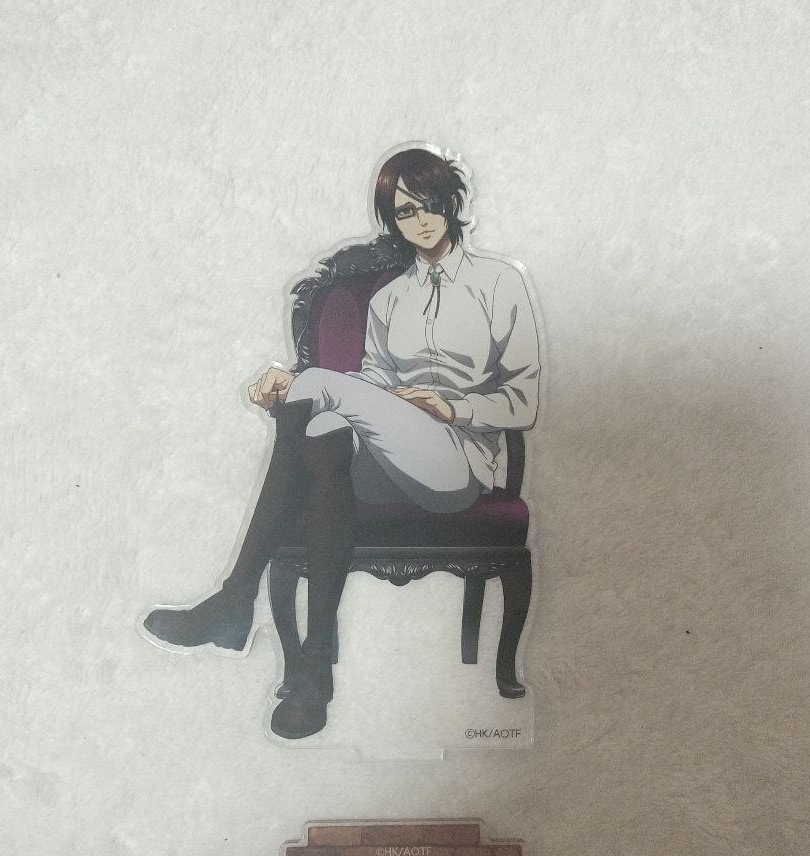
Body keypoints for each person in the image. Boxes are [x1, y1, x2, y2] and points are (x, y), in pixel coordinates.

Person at [144, 146, 540, 739]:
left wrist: (451, 406)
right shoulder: (389, 300)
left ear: (451, 201)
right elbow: (371, 390)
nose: (420, 220)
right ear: (393, 220)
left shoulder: (499, 283)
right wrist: (310, 394)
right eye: (404, 211)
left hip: (459, 463)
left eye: (429, 204)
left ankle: (234, 601)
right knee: (323, 431)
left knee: (314, 390)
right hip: (389, 457)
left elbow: (525, 402)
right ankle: (313, 675)